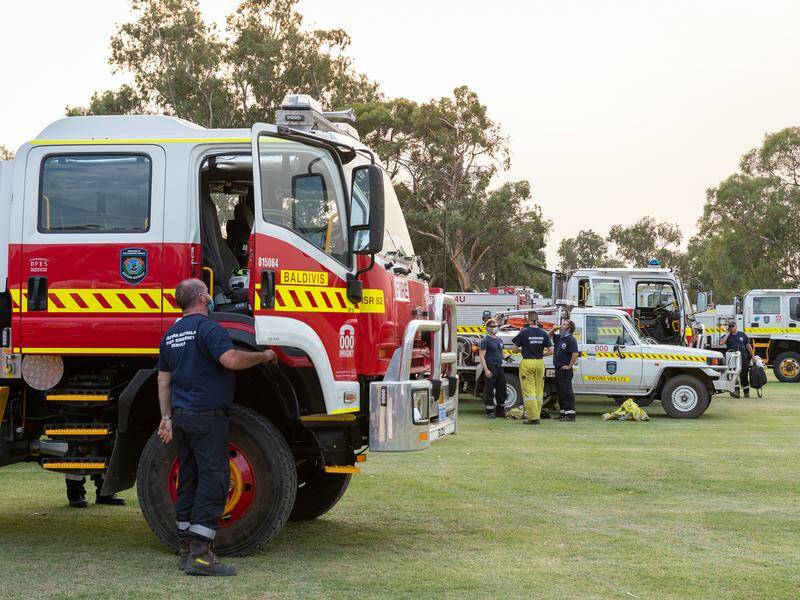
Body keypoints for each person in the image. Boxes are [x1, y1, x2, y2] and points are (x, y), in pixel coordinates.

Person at [157, 278, 277, 576]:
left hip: (182, 418)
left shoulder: (171, 334)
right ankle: (201, 556)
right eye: (207, 293)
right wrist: (264, 356)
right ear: (200, 297)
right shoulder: (209, 329)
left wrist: (166, 417)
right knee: (213, 481)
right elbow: (231, 359)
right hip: (207, 417)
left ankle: (186, 550)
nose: (211, 297)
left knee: (189, 480)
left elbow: (163, 380)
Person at [512, 311, 553, 425]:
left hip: (528, 362)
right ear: (538, 319)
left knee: (528, 391)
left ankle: (533, 418)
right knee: (539, 390)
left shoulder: (524, 332)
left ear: (527, 319)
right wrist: (541, 354)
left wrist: (523, 350)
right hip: (540, 363)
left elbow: (514, 349)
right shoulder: (543, 333)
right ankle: (537, 414)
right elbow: (551, 350)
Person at [479, 318, 507, 419]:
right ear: (488, 328)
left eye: (496, 326)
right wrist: (486, 369)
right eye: (494, 326)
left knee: (502, 389)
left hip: (499, 367)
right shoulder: (485, 341)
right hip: (491, 367)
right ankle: (490, 411)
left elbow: (502, 353)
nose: (496, 328)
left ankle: (500, 410)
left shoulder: (499, 340)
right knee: (490, 390)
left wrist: (506, 358)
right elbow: (481, 356)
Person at [552, 319, 579, 422]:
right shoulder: (560, 338)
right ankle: (563, 413)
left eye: (564, 324)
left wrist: (569, 366)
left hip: (565, 370)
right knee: (560, 391)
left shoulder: (571, 339)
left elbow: (575, 354)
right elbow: (549, 335)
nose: (561, 326)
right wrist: (554, 329)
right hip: (558, 369)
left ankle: (570, 414)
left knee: (566, 391)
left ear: (569, 328)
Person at [720, 320, 755, 398]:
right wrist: (727, 334)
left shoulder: (742, 335)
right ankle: (736, 391)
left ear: (736, 326)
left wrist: (753, 357)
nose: (731, 328)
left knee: (744, 375)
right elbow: (721, 343)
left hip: (743, 358)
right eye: (730, 326)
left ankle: (746, 392)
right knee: (732, 375)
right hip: (732, 359)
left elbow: (748, 346)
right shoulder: (727, 335)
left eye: (733, 326)